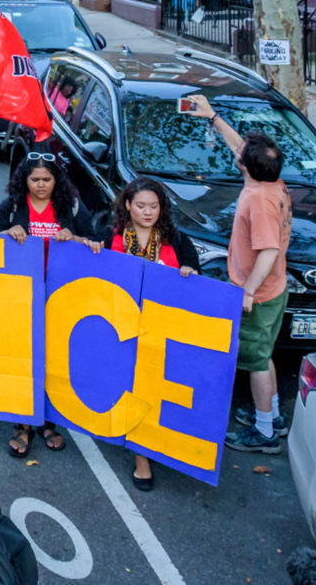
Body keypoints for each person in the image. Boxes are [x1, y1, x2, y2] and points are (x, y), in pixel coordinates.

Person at [189, 96, 292, 455]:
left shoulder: (257, 202)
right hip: (276, 290)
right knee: (264, 355)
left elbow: (268, 251)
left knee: (255, 361)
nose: (239, 151)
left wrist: (247, 291)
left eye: (243, 154)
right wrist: (214, 117)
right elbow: (241, 148)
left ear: (245, 167)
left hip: (259, 296)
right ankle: (273, 415)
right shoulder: (271, 181)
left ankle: (265, 433)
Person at [0, 155, 103, 460]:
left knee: (53, 360)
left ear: (57, 181)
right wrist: (7, 234)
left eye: (47, 180)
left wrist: (75, 237)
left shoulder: (71, 206)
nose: (41, 186)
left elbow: (95, 243)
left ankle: (48, 421)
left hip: (61, 297)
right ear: (24, 180)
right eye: (35, 180)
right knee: (23, 358)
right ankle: (22, 423)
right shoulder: (12, 206)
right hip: (21, 295)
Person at [109, 175, 200, 489]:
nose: (148, 212)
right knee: (136, 390)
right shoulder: (112, 235)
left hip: (165, 329)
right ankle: (141, 458)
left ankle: (156, 441)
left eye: (154, 206)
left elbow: (192, 269)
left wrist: (189, 271)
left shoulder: (176, 238)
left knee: (159, 390)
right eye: (141, 206)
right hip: (127, 330)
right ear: (128, 205)